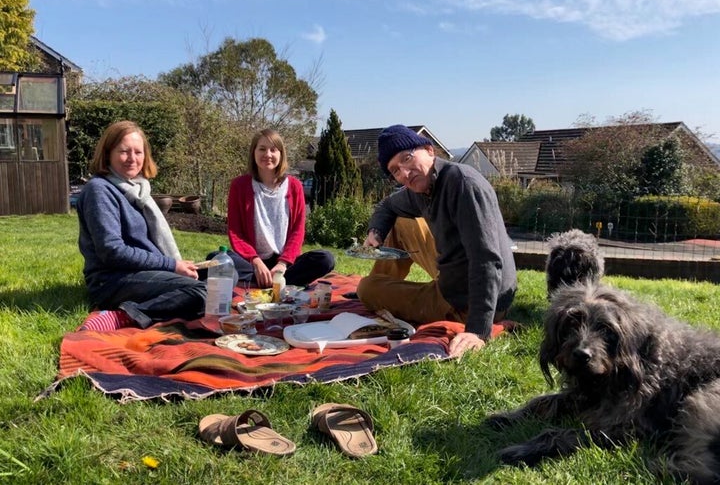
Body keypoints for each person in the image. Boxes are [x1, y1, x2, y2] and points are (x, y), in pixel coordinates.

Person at [356, 124, 517, 357]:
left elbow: (486, 259)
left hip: (470, 300)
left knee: (366, 288)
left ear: (430, 150)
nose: (405, 173)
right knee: (402, 222)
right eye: (395, 171)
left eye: (407, 158)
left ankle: (382, 289)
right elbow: (388, 205)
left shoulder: (462, 184)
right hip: (455, 272)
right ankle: (385, 282)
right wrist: (376, 232)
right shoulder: (422, 189)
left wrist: (478, 330)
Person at [76, 120, 206, 329]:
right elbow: (112, 251)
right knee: (203, 293)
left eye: (138, 152)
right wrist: (172, 265)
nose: (132, 159)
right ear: (108, 153)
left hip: (141, 271)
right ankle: (124, 316)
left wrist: (174, 265)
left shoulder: (138, 189)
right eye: (124, 151)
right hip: (112, 280)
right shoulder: (99, 190)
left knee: (223, 272)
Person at [225, 129, 335, 288]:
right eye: (262, 149)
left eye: (273, 149)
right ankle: (273, 283)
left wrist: (283, 264)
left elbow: (298, 230)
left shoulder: (294, 186)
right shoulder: (239, 186)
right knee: (217, 258)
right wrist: (255, 262)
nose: (267, 154)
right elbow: (235, 232)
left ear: (281, 154)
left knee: (326, 258)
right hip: (251, 262)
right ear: (253, 152)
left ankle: (271, 281)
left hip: (285, 264)